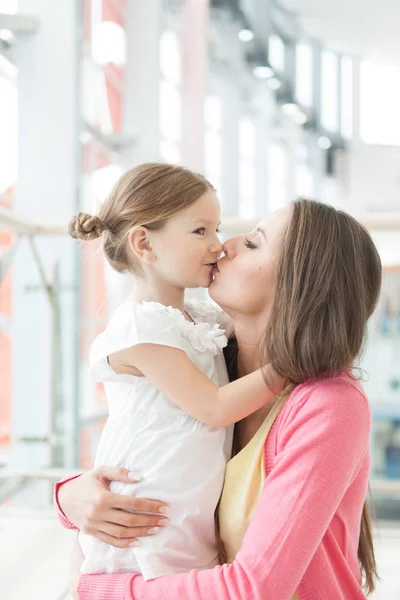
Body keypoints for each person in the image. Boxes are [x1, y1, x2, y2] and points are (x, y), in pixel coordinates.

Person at [56, 198, 382, 599]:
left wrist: (99, 590)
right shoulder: (209, 362)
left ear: (300, 286)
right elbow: (143, 455)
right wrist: (72, 496)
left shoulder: (329, 404)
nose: (225, 244)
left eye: (254, 244)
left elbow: (254, 588)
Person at [67, 163, 283, 579]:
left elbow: (261, 322)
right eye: (201, 232)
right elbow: (215, 408)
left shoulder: (199, 318)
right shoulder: (140, 327)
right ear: (145, 244)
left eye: (217, 229)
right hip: (143, 518)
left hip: (186, 515)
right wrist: (289, 366)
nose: (218, 245)